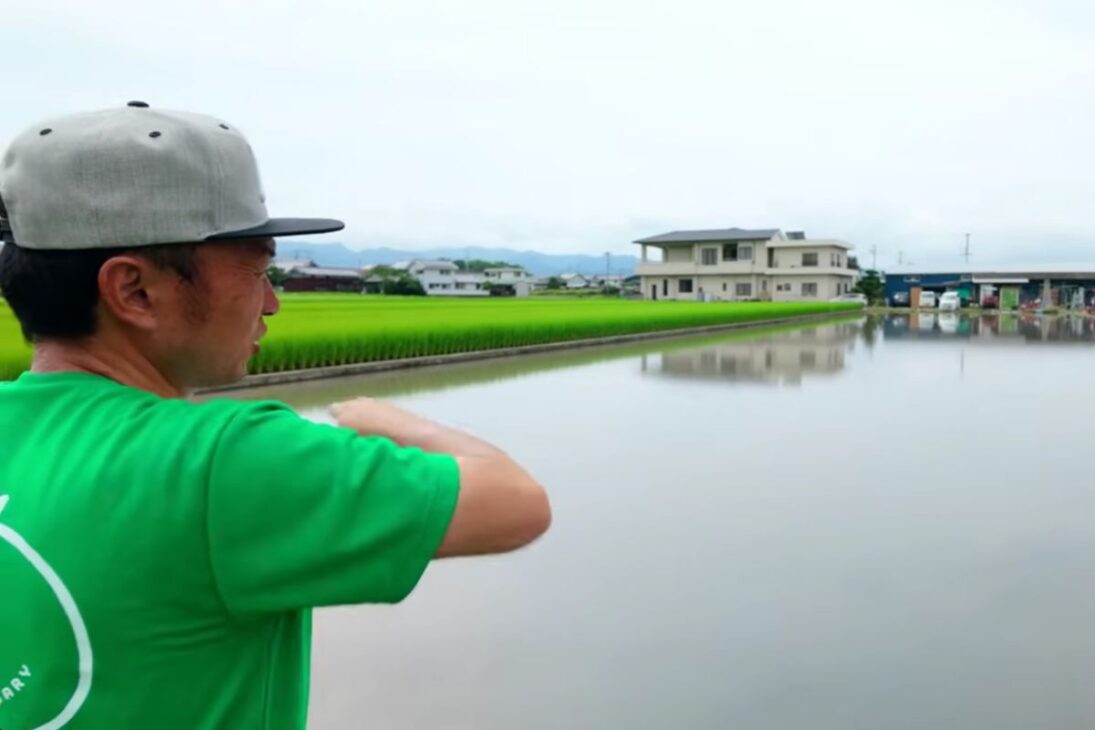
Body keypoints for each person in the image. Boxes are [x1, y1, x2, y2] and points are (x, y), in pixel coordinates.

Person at [0, 102, 550, 729]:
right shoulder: (220, 460)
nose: (272, 303)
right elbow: (515, 503)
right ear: (135, 291)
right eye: (258, 269)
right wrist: (384, 418)